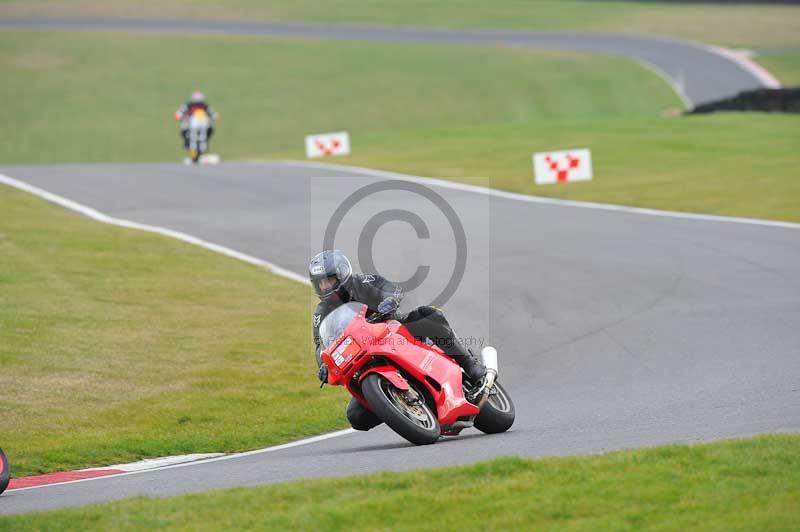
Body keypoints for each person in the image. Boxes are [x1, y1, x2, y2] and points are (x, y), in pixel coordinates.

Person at [309, 249, 486, 431]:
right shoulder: (322, 313)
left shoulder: (362, 282)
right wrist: (323, 365)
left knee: (428, 315)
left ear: (341, 274)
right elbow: (320, 346)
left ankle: (470, 364)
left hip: (392, 330)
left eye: (328, 280)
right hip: (363, 356)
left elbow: (391, 288)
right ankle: (399, 407)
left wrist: (390, 300)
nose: (325, 287)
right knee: (356, 417)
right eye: (320, 283)